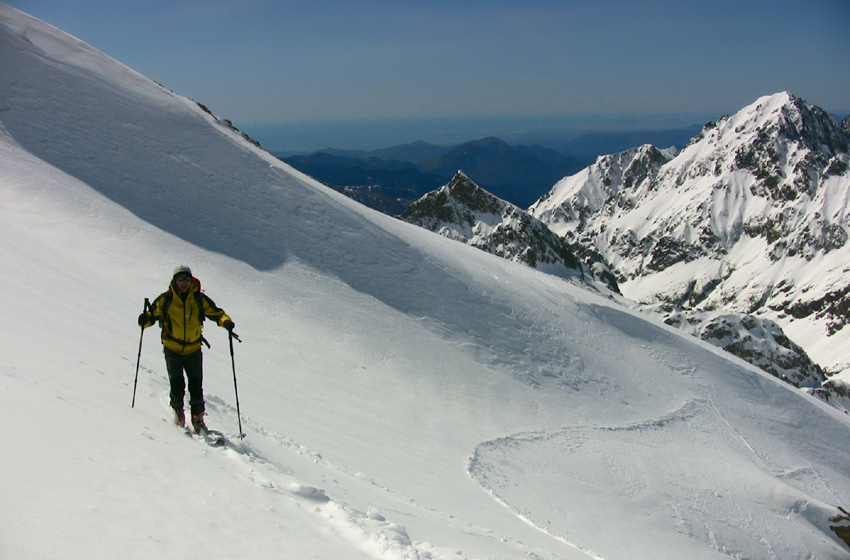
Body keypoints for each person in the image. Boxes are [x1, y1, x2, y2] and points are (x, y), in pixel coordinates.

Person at [138, 265, 234, 433]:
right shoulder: (166, 299)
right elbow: (152, 316)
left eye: (187, 280)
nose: (184, 283)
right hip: (172, 348)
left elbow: (217, 313)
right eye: (180, 280)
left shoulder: (198, 299)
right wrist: (144, 320)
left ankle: (198, 419)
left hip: (193, 349)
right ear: (174, 281)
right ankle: (178, 414)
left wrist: (225, 321)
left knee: (196, 386)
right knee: (177, 384)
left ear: (191, 281)